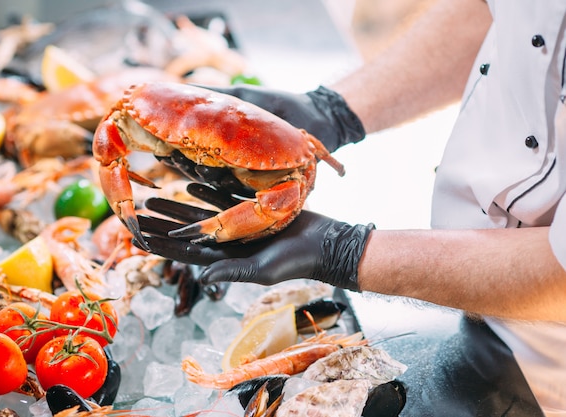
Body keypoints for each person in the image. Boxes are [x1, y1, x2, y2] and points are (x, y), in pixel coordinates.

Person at [137, 0, 566, 415]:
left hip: (545, 374)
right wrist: (335, 109)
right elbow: (505, 12)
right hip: (468, 301)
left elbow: (560, 277)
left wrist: (344, 252)